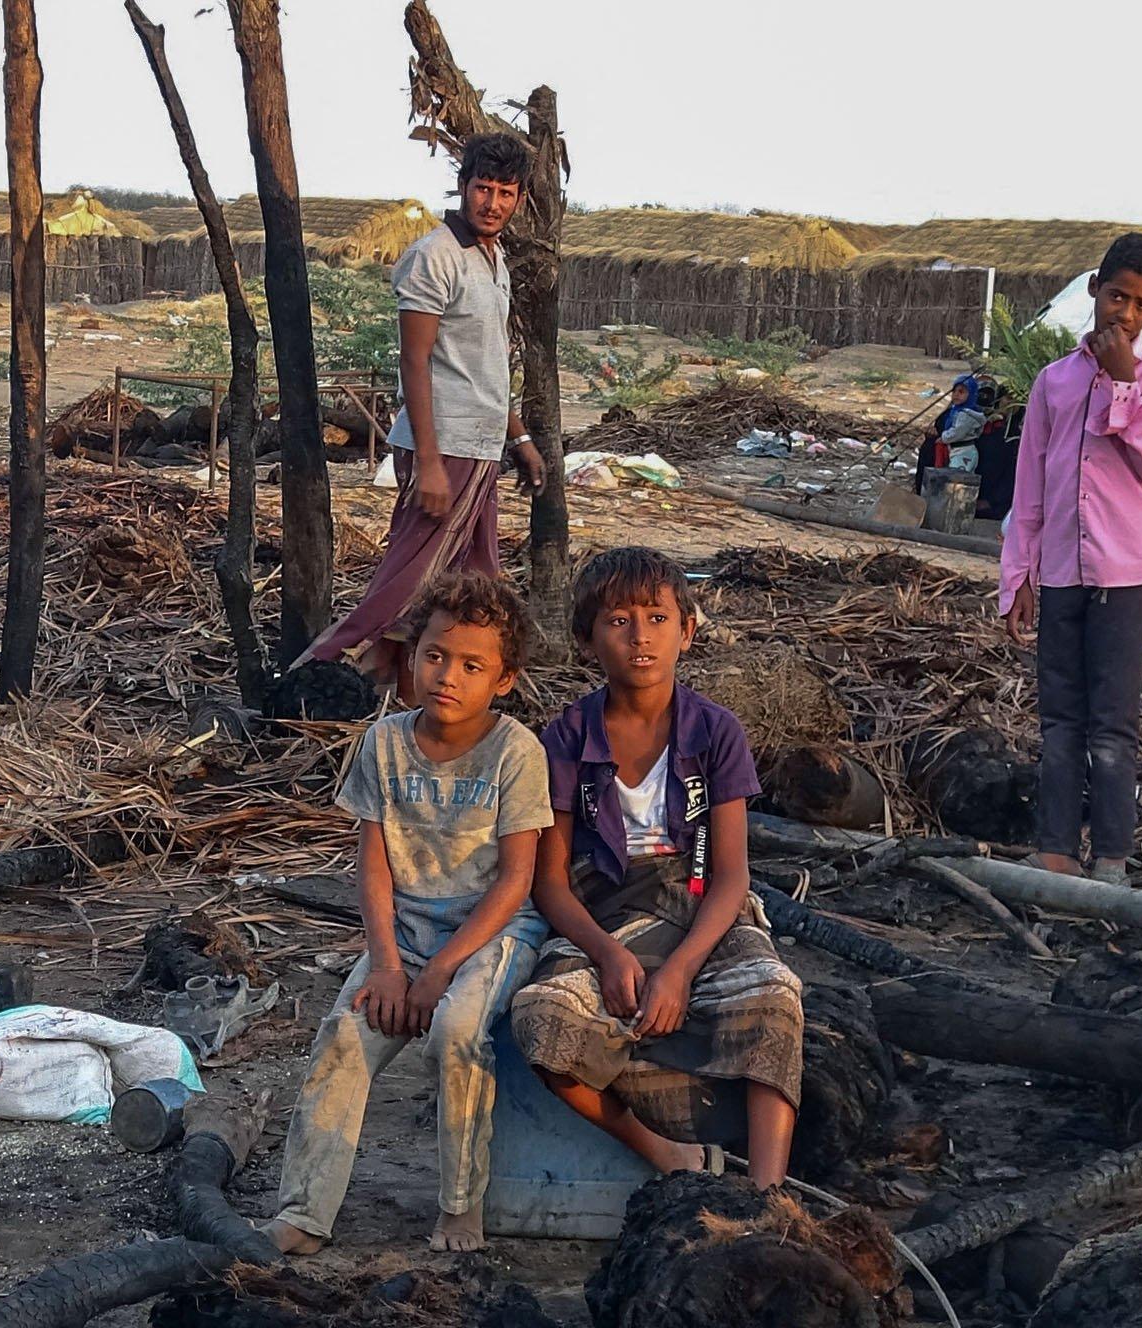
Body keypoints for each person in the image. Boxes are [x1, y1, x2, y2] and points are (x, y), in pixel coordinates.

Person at [267, 572, 550, 1256]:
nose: (448, 675)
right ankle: (304, 1211)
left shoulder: (516, 753)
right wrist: (390, 967)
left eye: (472, 665)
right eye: (434, 656)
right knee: (344, 1034)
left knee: (455, 1030)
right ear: (412, 655)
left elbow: (516, 883)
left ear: (504, 680)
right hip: (408, 934)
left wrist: (442, 973)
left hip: (492, 934)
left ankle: (459, 1209)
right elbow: (372, 867)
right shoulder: (384, 743)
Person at [511, 548, 807, 1188]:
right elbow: (551, 882)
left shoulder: (715, 731)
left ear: (688, 630)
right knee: (544, 1020)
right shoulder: (564, 738)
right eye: (618, 620)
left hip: (701, 905)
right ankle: (668, 1156)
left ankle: (767, 1194)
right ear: (588, 638)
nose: (640, 636)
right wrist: (606, 955)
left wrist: (679, 970)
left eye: (657, 617)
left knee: (774, 999)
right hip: (606, 912)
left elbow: (729, 876)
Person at [295, 132, 547, 695]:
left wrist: (520, 437)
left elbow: (486, 366)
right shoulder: (434, 256)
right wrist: (428, 464)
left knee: (473, 588)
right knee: (406, 583)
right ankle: (312, 678)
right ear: (463, 188)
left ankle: (414, 697)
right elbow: (416, 362)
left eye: (506, 192)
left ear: (520, 199)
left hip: (481, 447)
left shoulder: (494, 257)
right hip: (445, 446)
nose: (494, 203)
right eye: (484, 189)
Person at [999, 232, 1142, 885]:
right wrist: (1017, 575)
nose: (1126, 315)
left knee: (1111, 725)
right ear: (1094, 291)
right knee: (1058, 720)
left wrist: (1125, 385)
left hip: (1125, 577)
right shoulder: (1054, 382)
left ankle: (1110, 858)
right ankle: (1054, 848)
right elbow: (1031, 489)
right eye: (1117, 297)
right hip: (1060, 576)